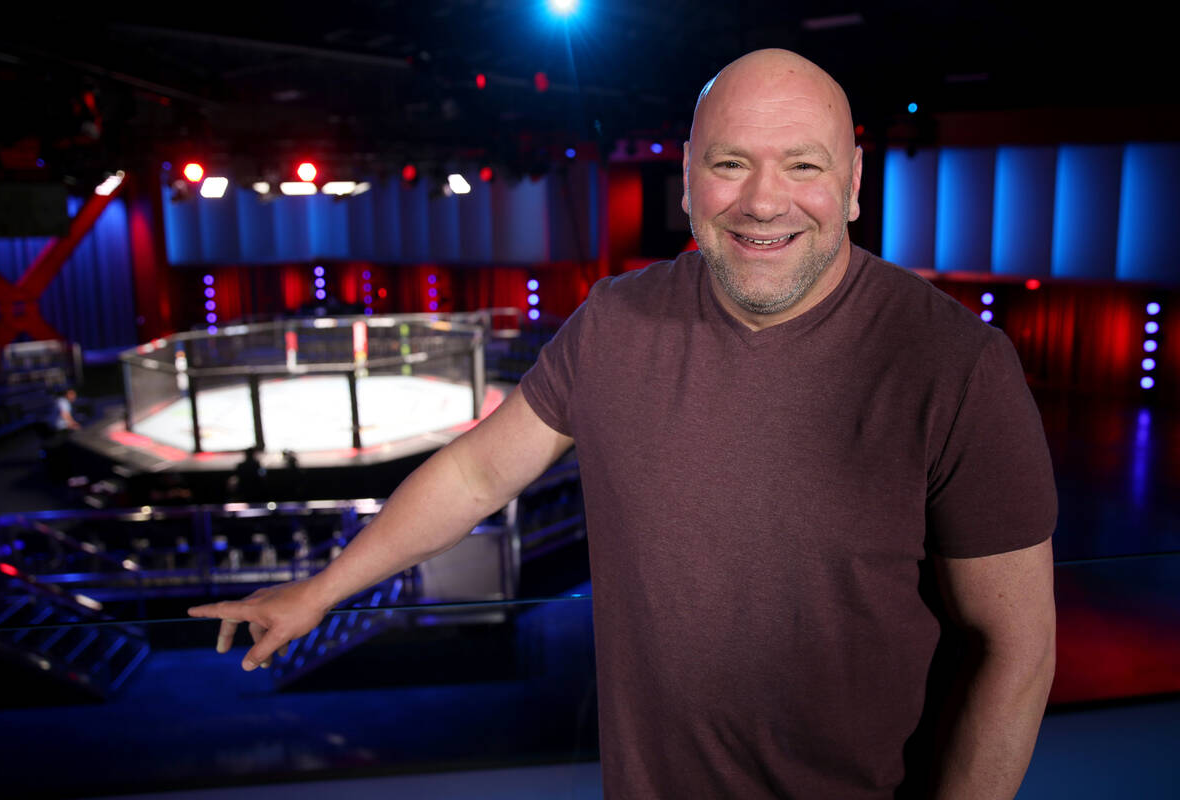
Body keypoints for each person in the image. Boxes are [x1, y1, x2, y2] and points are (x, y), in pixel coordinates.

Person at [191, 49, 1057, 799]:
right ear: (686, 176)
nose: (764, 202)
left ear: (854, 185)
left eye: (803, 166)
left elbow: (1016, 654)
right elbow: (476, 475)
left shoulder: (956, 366)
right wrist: (319, 592)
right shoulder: (614, 323)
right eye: (730, 164)